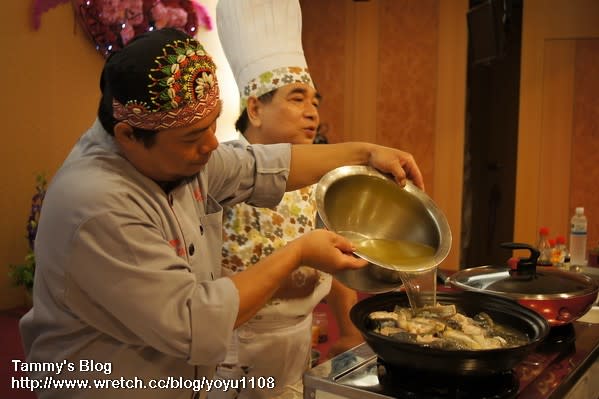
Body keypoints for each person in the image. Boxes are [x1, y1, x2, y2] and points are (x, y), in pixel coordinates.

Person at [19, 28, 424, 399]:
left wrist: (364, 153)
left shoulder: (181, 157)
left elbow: (261, 165)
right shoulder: (97, 204)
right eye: (194, 137)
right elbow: (193, 320)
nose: (212, 145)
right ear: (128, 136)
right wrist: (298, 254)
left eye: (213, 127)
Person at [213, 1, 364, 397]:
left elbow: (335, 257)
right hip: (227, 357)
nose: (312, 112)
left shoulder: (320, 180)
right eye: (297, 98)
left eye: (315, 101)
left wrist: (348, 331)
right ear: (255, 108)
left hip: (296, 350)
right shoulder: (218, 174)